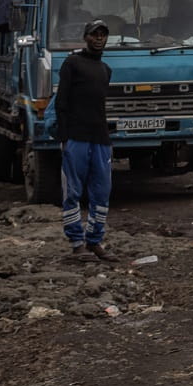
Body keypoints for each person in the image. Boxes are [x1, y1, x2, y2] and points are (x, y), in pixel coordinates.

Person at [54, 19, 114, 259]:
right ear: (85, 37)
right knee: (73, 191)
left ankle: (95, 241)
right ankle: (76, 241)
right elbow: (61, 102)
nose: (99, 38)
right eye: (94, 34)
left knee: (102, 191)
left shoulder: (105, 70)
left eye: (103, 34)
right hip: (76, 137)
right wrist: (64, 137)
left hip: (100, 138)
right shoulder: (72, 64)